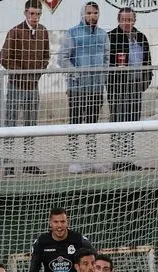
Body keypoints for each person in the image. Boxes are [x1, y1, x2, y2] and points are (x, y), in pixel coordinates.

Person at [58, 1, 109, 174]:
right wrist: (76, 75)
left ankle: (92, 160)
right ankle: (73, 160)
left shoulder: (103, 35)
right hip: (77, 89)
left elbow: (107, 60)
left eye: (95, 13)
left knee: (93, 125)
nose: (92, 16)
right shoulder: (72, 33)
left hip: (96, 89)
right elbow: (62, 59)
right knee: (75, 124)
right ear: (83, 14)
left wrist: (102, 77)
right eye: (88, 13)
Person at [0, 0, 50, 177]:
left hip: (33, 86)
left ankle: (29, 163)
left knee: (31, 125)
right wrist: (23, 73)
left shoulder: (43, 31)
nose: (35, 17)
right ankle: (8, 164)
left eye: (38, 14)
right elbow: (4, 58)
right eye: (32, 14)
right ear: (25, 13)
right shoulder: (15, 31)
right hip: (16, 85)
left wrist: (37, 74)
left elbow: (46, 56)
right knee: (11, 125)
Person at [107, 7, 151, 172]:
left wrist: (146, 81)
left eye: (130, 19)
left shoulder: (141, 37)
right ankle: (118, 161)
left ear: (134, 20)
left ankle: (128, 160)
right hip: (118, 88)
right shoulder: (111, 37)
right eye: (124, 20)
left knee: (132, 122)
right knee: (118, 123)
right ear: (118, 20)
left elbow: (148, 61)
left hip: (136, 87)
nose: (127, 23)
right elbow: (107, 62)